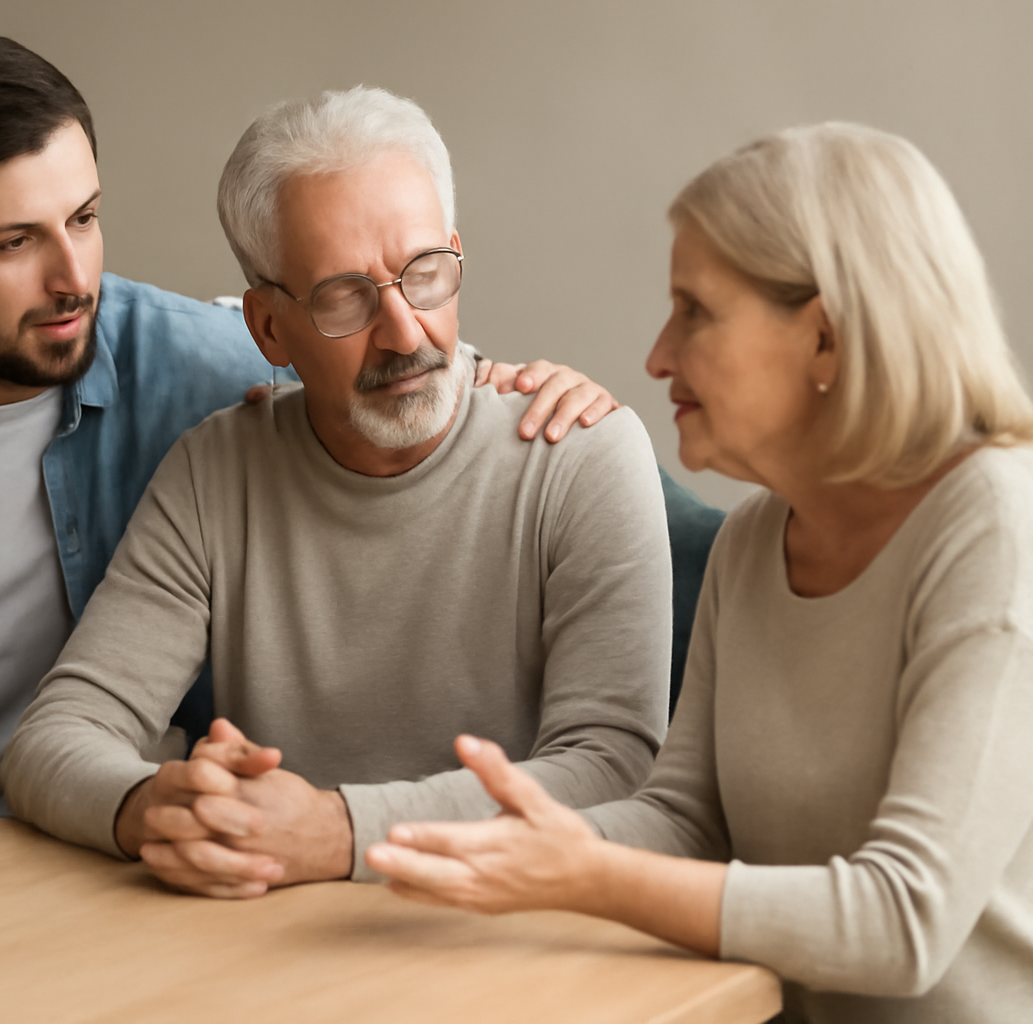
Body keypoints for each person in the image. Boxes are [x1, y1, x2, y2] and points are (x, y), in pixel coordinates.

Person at [0, 34, 631, 818]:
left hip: (84, 851)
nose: (72, 279)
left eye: (85, 220)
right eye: (15, 242)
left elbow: (387, 350)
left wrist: (515, 383)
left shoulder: (196, 359)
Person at [367, 123, 1033, 1023]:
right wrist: (504, 845)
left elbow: (905, 922)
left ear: (828, 340)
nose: (656, 358)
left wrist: (588, 874)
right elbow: (689, 822)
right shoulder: (756, 539)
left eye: (696, 311)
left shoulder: (997, 525)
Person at [3, 87, 673, 899]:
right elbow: (54, 739)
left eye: (425, 273)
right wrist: (156, 805)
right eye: (344, 297)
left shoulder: (582, 457)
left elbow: (614, 771)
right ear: (269, 329)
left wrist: (337, 830)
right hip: (277, 938)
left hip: (515, 933)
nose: (404, 333)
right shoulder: (216, 472)